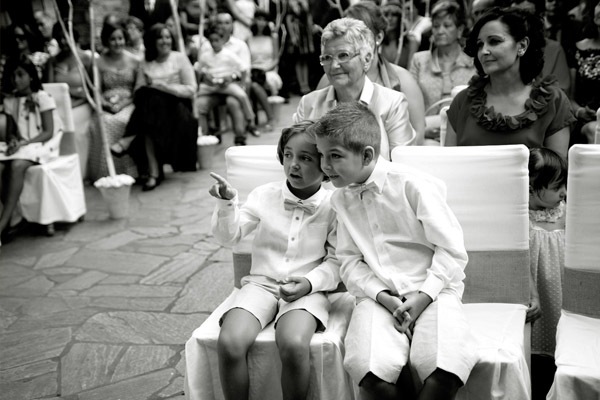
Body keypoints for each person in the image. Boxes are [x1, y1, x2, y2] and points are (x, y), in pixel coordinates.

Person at [313, 101, 477, 400]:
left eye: (334, 156)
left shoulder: (414, 185)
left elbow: (452, 250)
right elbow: (349, 262)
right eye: (322, 155)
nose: (324, 166)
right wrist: (383, 296)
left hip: (435, 290)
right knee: (370, 372)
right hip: (378, 297)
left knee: (444, 369)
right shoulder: (340, 199)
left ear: (367, 155)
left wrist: (423, 296)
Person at [209, 121, 340, 400]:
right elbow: (229, 237)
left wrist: (308, 283)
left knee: (293, 344)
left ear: (326, 165)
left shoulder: (335, 207)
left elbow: (338, 261)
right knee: (230, 343)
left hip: (307, 289)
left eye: (305, 158)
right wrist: (226, 204)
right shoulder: (263, 195)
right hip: (260, 285)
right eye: (289, 154)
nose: (293, 164)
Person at [445, 7, 575, 159]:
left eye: (494, 41)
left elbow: (555, 176)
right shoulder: (462, 101)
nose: (484, 51)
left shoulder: (553, 101)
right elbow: (447, 168)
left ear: (522, 46)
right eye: (480, 45)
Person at [293, 18, 416, 161]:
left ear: (367, 59)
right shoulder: (309, 103)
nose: (333, 66)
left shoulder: (392, 103)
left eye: (343, 55)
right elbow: (298, 159)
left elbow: (401, 166)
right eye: (327, 58)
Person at [316, 1, 426, 144]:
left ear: (378, 37)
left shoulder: (403, 80)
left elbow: (418, 135)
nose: (350, 39)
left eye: (360, 33)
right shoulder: (329, 79)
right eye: (345, 32)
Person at [124, 23, 198, 191]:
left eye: (167, 37)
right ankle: (154, 170)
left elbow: (191, 89)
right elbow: (138, 91)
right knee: (150, 99)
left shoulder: (179, 58)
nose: (165, 41)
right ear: (152, 41)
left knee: (155, 99)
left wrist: (164, 87)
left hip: (177, 106)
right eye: (160, 37)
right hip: (152, 110)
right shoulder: (146, 63)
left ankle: (131, 140)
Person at [0, 59, 63, 245]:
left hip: (41, 143)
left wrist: (25, 142)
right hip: (22, 144)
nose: (16, 80)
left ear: (31, 76)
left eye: (20, 75)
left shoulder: (42, 97)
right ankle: (14, 215)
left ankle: (3, 222)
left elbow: (48, 131)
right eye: (12, 76)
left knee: (18, 165)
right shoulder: (10, 100)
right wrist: (13, 140)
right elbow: (12, 130)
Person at [527, 147, 567, 399]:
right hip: (536, 294)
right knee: (537, 359)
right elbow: (518, 260)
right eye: (556, 187)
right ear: (531, 187)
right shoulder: (518, 216)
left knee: (561, 350)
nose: (564, 192)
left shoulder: (564, 212)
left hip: (564, 292)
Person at [410, 1, 475, 141]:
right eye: (436, 26)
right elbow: (408, 104)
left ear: (460, 30)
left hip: (464, 137)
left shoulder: (473, 64)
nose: (440, 31)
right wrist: (423, 130)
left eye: (447, 26)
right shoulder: (419, 60)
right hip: (425, 136)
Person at [88, 21, 139, 183]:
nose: (118, 43)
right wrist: (106, 104)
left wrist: (123, 104)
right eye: (113, 39)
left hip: (129, 102)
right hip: (106, 103)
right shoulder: (98, 63)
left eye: (120, 38)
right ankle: (108, 172)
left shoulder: (134, 60)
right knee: (103, 121)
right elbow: (95, 89)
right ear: (106, 41)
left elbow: (138, 89)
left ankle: (131, 171)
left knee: (125, 120)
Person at [195, 11, 255, 146]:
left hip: (230, 84)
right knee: (198, 103)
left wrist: (232, 78)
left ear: (232, 25)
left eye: (227, 22)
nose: (223, 26)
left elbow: (245, 69)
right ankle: (204, 138)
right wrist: (205, 76)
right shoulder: (206, 47)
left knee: (235, 101)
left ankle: (242, 133)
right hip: (211, 86)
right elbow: (200, 68)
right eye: (219, 22)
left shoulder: (239, 45)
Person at [48, 24, 94, 180]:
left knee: (74, 126)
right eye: (60, 38)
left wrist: (76, 97)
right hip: (60, 106)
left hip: (81, 105)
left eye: (66, 37)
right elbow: (48, 90)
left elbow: (92, 89)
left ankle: (79, 174)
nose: (63, 41)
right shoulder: (53, 62)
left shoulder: (86, 59)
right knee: (55, 125)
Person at [568, 0, 600, 144]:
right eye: (599, 4)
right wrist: (581, 111)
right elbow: (568, 97)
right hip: (585, 122)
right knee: (595, 130)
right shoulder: (578, 48)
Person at [248, 8, 282, 130]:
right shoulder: (249, 38)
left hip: (269, 71)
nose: (261, 23)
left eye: (264, 20)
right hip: (253, 71)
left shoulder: (273, 37)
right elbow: (247, 60)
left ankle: (259, 118)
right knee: (254, 85)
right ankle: (269, 117)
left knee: (257, 85)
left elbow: (276, 59)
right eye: (259, 19)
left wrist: (265, 69)